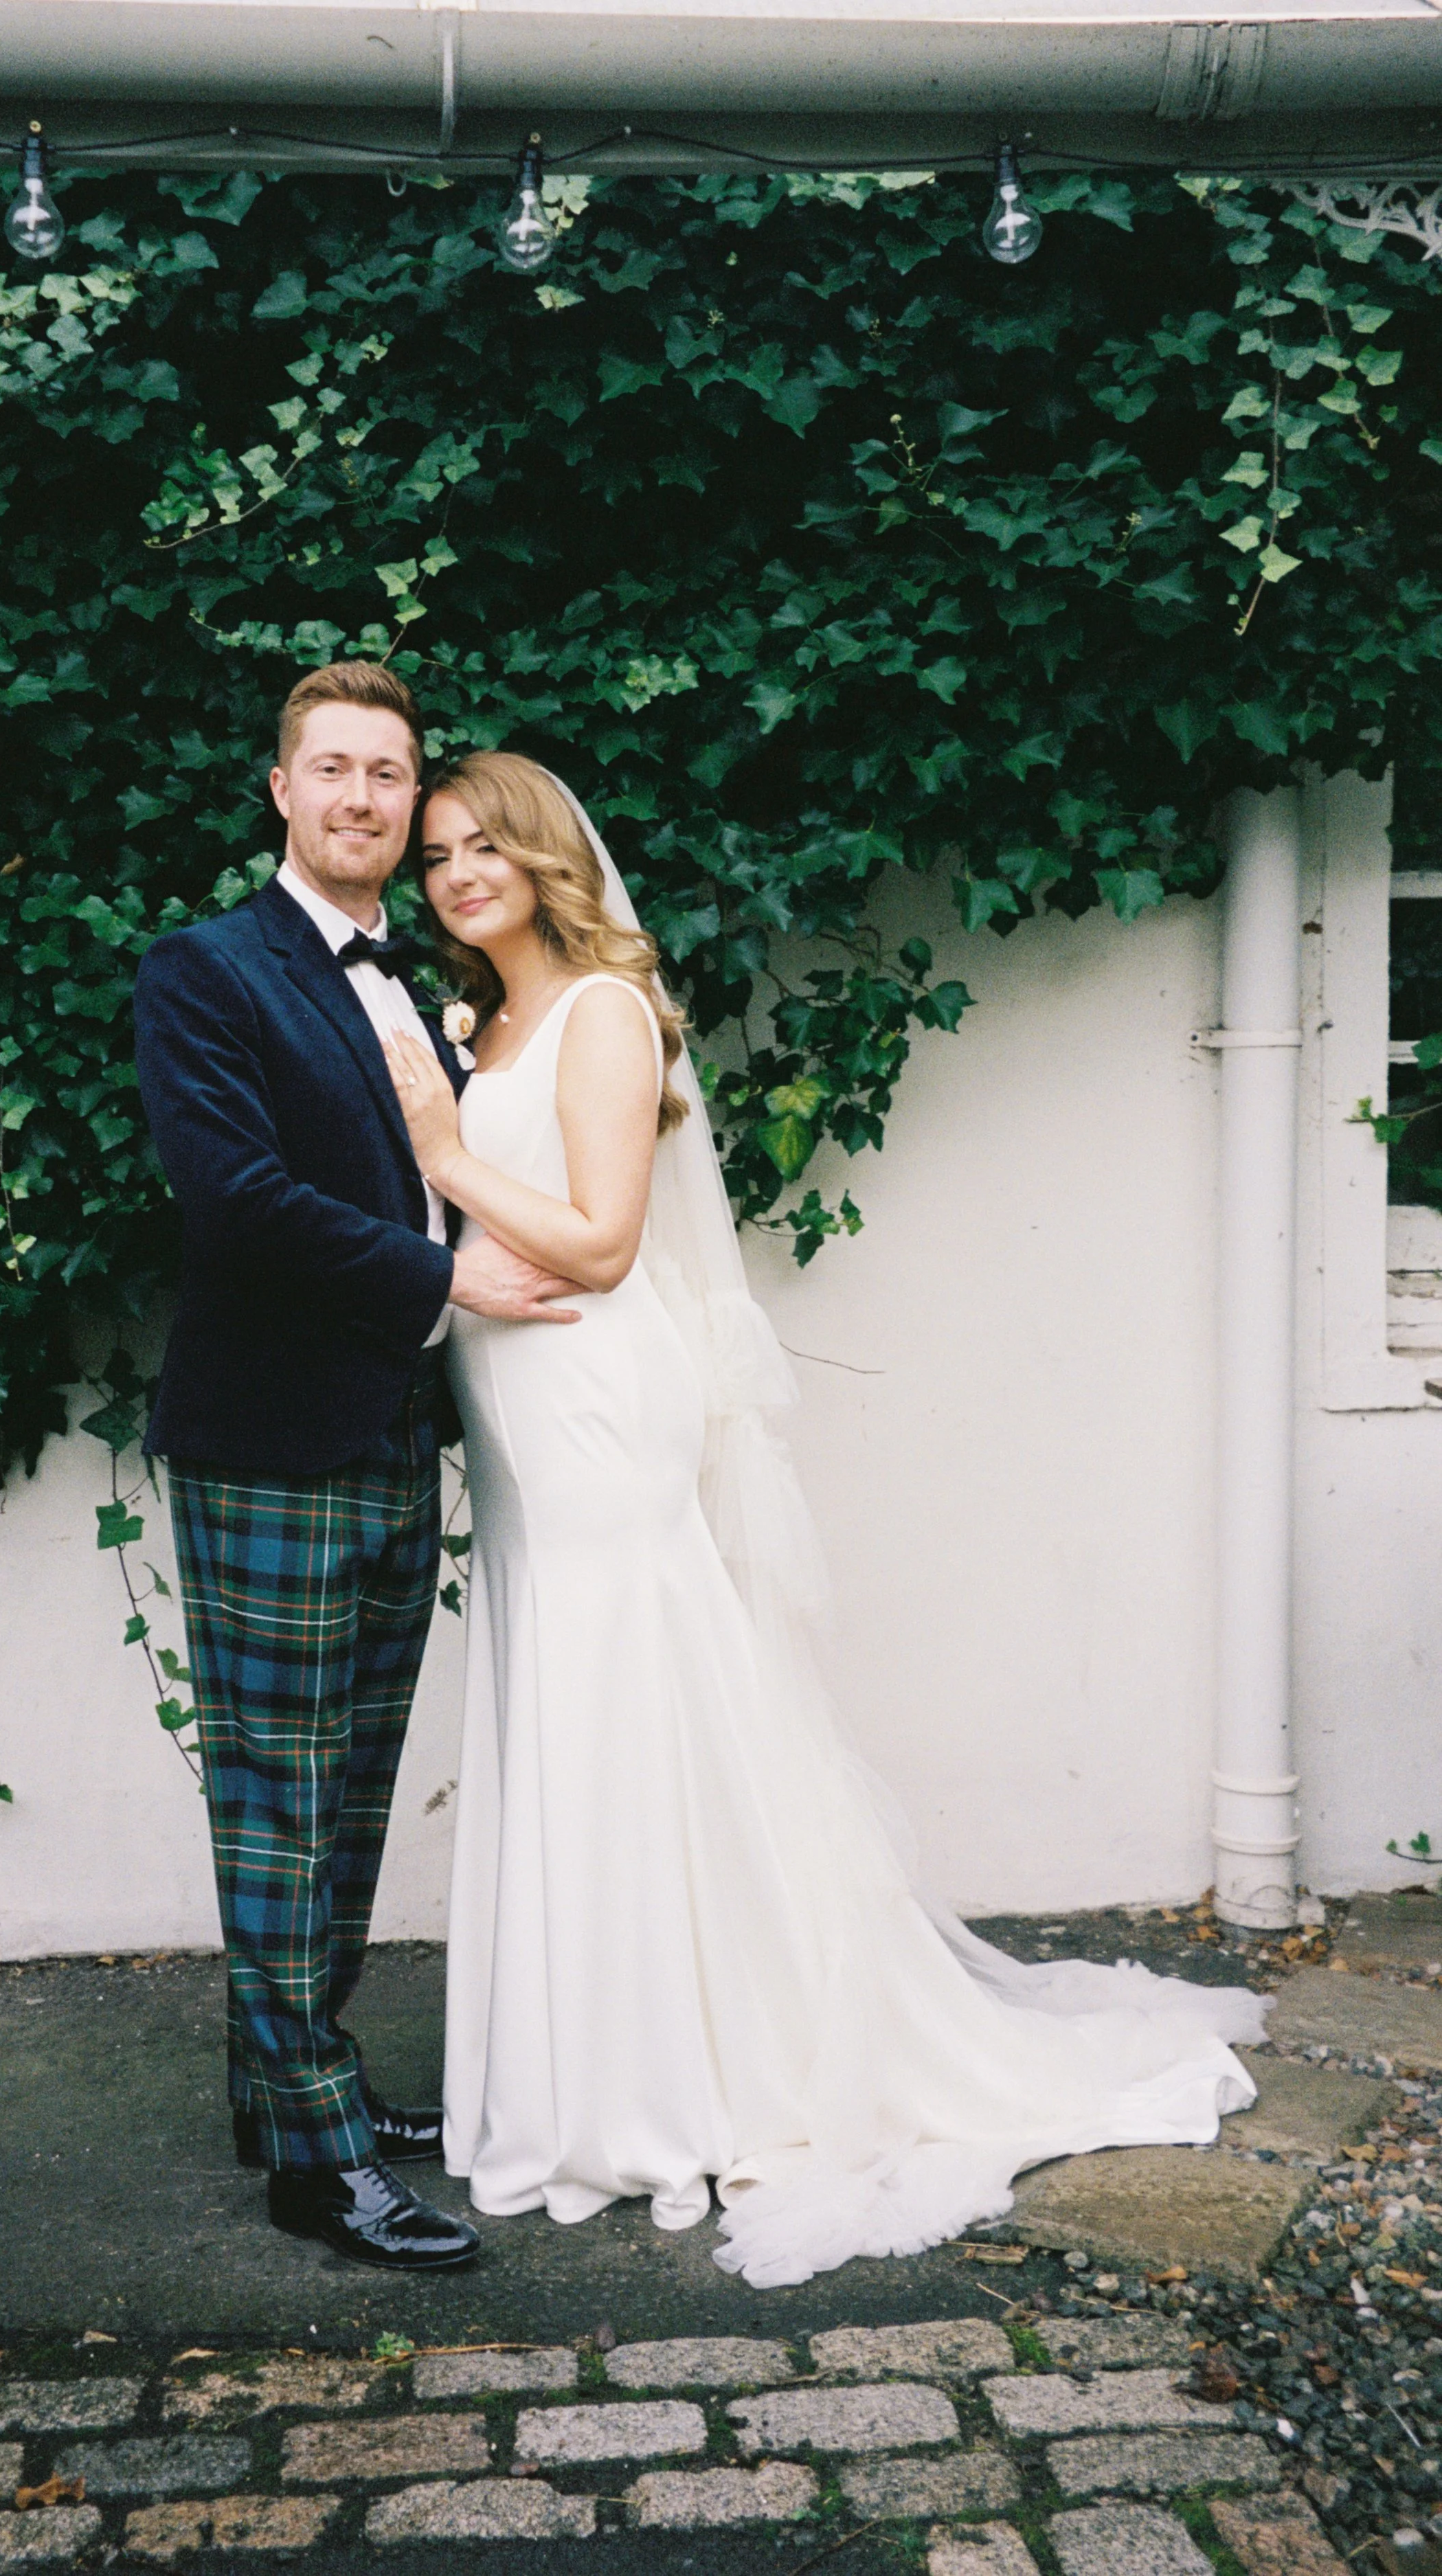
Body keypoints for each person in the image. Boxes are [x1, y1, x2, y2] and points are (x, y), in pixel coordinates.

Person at [378, 749, 1267, 2287]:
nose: (456, 874)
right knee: (568, 1707)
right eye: (438, 853)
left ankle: (673, 2077)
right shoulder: (488, 1017)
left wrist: (447, 1157)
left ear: (541, 858)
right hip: (516, 1422)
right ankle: (581, 2063)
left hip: (595, 1406)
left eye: (483, 847)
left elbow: (599, 1245)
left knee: (626, 1714)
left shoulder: (595, 1013)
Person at [133, 666, 582, 2272]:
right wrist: (443, 1282)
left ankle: (289, 2085)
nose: (363, 800)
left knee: (348, 1798)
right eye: (331, 770)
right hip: (269, 1440)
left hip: (399, 1432)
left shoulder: (416, 983)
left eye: (388, 775)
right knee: (275, 1796)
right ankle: (315, 2164)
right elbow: (235, 1199)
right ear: (279, 792)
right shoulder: (206, 971)